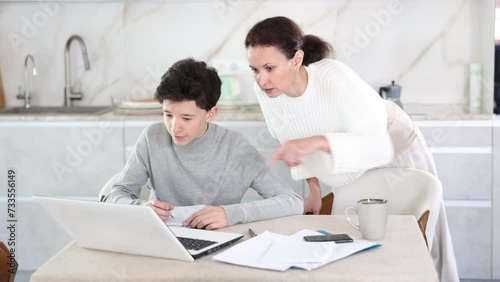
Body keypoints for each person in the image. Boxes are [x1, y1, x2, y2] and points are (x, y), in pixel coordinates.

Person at [244, 16, 459, 282]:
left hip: (395, 146)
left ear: (296, 59)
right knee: (361, 240)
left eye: (269, 67)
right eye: (254, 70)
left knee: (417, 240)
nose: (261, 79)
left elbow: (377, 144)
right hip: (347, 161)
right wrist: (313, 188)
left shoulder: (333, 76)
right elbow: (290, 138)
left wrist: (317, 142)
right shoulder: (267, 90)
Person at [104, 57, 303, 230]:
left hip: (219, 244)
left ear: (211, 114)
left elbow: (292, 202)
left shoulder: (235, 149)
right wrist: (142, 209)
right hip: (163, 240)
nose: (174, 128)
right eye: (168, 115)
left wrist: (230, 214)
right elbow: (117, 194)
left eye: (187, 118)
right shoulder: (152, 137)